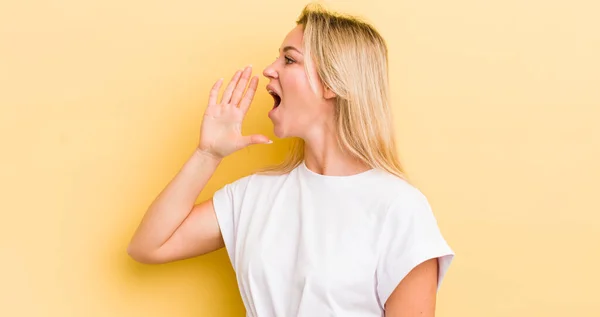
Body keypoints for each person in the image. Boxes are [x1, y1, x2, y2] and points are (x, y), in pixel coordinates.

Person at [127, 3, 454, 316]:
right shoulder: (255, 195)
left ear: (330, 83)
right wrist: (207, 154)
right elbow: (148, 246)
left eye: (289, 60)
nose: (269, 69)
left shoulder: (399, 208)